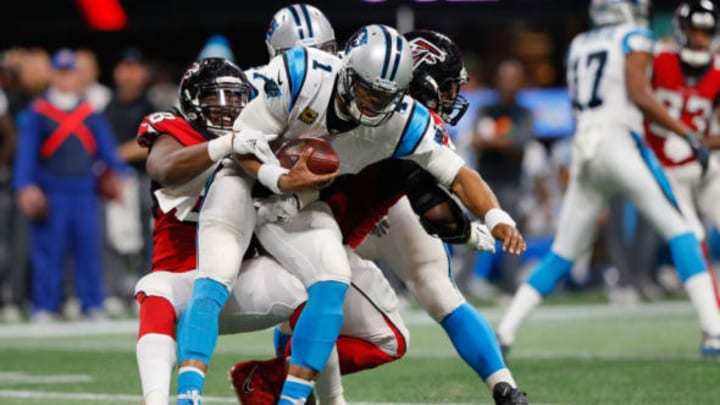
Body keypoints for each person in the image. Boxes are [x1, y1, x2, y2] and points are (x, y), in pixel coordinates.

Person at [176, 23, 525, 405]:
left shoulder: (406, 120)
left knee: (336, 285)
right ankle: (187, 387)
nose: (373, 105)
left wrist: (495, 218)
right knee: (225, 279)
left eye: (384, 97)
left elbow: (457, 176)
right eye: (367, 92)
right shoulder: (304, 73)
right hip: (265, 190)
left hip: (321, 208)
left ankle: (290, 393)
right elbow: (241, 138)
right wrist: (278, 178)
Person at [134, 57, 409, 405]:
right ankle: (156, 400)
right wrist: (224, 146)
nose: (228, 110)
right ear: (190, 103)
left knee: (317, 295)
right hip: (184, 283)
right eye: (216, 99)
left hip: (245, 280)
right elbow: (164, 168)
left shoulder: (266, 135)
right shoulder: (174, 130)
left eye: (237, 99)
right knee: (153, 288)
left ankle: (326, 399)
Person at [496, 0, 720, 357]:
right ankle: (713, 331)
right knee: (683, 231)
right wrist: (687, 134)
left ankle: (505, 330)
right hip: (619, 141)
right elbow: (640, 94)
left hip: (585, 145)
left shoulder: (579, 44)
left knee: (563, 252)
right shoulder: (634, 38)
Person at [12, 48, 128, 321]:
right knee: (48, 251)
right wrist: (25, 185)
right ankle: (45, 305)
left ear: (77, 76)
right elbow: (27, 152)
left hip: (84, 190)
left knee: (89, 248)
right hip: (52, 190)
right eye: (60, 72)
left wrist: (118, 171)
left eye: (70, 72)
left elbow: (106, 146)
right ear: (53, 75)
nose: (65, 78)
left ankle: (92, 302)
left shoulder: (88, 110)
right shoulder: (40, 110)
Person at [644, 0, 720, 301]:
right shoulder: (656, 59)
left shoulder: (717, 69)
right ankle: (714, 316)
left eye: (706, 32)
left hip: (703, 165)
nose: (700, 38)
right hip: (667, 168)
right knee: (692, 238)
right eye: (694, 31)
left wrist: (695, 140)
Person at [470, 59, 535, 295]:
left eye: (514, 79)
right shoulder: (485, 109)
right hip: (482, 183)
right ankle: (462, 288)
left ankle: (510, 289)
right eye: (505, 78)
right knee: (471, 236)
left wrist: (492, 141)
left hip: (511, 183)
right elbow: (475, 142)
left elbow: (519, 144)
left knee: (511, 237)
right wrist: (499, 142)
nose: (509, 84)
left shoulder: (524, 113)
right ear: (497, 81)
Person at [103, 47, 156, 312]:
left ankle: (144, 287)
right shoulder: (107, 105)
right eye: (125, 68)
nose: (129, 74)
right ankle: (113, 291)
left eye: (135, 68)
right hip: (111, 178)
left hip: (143, 177)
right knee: (110, 234)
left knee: (149, 235)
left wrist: (116, 153)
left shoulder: (150, 105)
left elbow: (154, 141)